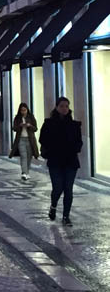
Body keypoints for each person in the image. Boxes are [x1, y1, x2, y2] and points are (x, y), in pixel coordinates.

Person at [39, 97, 82, 226]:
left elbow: (79, 141)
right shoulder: (49, 123)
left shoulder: (74, 125)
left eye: (66, 106)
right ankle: (53, 206)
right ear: (57, 107)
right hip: (55, 161)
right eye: (62, 106)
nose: (64, 109)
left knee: (68, 189)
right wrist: (53, 148)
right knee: (57, 188)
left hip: (70, 161)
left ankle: (66, 216)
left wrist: (75, 148)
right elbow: (42, 139)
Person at [9, 103, 39, 180]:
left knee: (29, 156)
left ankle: (27, 172)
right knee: (23, 156)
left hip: (30, 139)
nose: (23, 112)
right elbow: (14, 128)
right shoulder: (17, 118)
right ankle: (24, 173)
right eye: (22, 110)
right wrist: (20, 126)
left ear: (27, 110)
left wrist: (29, 126)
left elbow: (35, 128)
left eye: (25, 110)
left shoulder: (31, 117)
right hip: (20, 139)